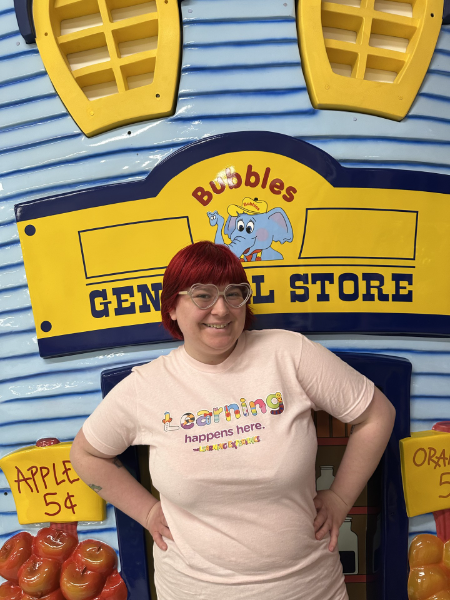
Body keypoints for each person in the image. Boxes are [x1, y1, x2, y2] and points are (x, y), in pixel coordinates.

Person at [70, 241, 396, 600]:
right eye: (202, 295)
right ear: (172, 307)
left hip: (309, 588)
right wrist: (146, 512)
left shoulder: (288, 354)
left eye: (234, 294)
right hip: (193, 591)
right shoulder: (145, 387)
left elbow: (377, 414)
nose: (222, 309)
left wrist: (340, 498)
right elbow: (85, 454)